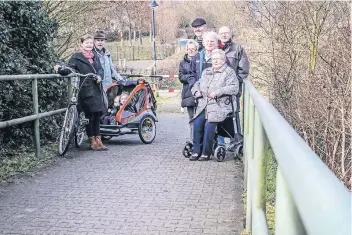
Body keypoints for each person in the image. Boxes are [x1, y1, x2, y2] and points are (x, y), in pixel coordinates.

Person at [54, 34, 108, 151]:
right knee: (90, 116)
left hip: (97, 88)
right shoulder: (77, 57)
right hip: (85, 90)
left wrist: (99, 76)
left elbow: (100, 69)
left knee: (97, 115)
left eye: (90, 43)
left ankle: (99, 140)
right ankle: (92, 140)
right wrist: (59, 69)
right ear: (81, 44)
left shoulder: (95, 57)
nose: (89, 45)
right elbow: (69, 68)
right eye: (86, 43)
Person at [189, 49, 239, 161]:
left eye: (218, 59)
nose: (215, 61)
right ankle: (196, 151)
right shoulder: (206, 71)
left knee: (209, 124)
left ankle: (206, 153)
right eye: (213, 59)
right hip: (205, 104)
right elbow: (198, 83)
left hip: (220, 105)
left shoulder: (229, 72)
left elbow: (234, 87)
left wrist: (218, 92)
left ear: (223, 60)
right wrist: (196, 91)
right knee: (197, 122)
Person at [218, 26, 249, 146]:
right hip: (218, 89)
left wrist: (234, 83)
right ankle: (220, 143)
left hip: (233, 90)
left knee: (234, 114)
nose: (224, 35)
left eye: (226, 33)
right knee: (218, 114)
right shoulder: (216, 47)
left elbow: (244, 69)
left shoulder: (238, 49)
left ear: (231, 34)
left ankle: (236, 142)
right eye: (221, 33)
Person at [179, 39, 199, 142]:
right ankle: (192, 140)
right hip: (188, 93)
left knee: (201, 118)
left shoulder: (200, 60)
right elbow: (181, 76)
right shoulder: (182, 63)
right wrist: (192, 78)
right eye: (189, 49)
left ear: (196, 50)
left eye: (193, 49)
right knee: (191, 118)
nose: (191, 51)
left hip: (200, 92)